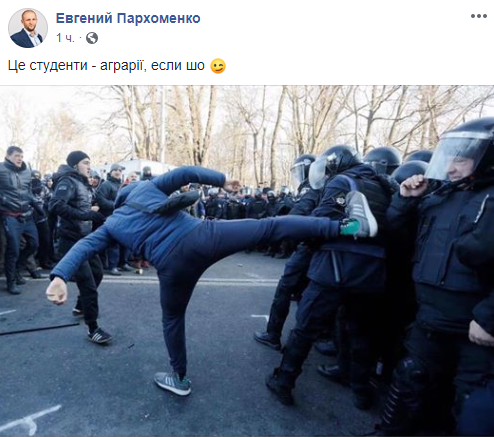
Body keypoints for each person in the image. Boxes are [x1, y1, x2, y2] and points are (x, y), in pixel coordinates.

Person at [46, 165, 377, 397]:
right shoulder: (147, 188)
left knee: (173, 319)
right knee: (271, 227)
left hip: (173, 267)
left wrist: (60, 276)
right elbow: (187, 173)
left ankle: (179, 378)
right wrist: (222, 180)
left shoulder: (111, 224)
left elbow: (83, 246)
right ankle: (346, 227)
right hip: (202, 237)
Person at [376, 118, 494, 435]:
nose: (451, 168)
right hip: (429, 318)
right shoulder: (439, 197)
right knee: (409, 382)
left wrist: (489, 316)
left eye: (462, 160)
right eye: (450, 158)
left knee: (470, 405)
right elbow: (399, 238)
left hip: (475, 328)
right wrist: (404, 201)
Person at [265, 145, 393, 408]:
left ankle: (284, 382)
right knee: (359, 332)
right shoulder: (381, 186)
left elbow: (320, 223)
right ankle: (361, 392)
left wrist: (307, 239)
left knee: (306, 327)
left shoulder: (341, 182)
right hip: (372, 271)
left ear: (337, 163)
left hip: (335, 266)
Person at [49, 151, 111, 344]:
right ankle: (93, 328)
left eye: (90, 163)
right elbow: (55, 205)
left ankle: (79, 306)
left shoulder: (82, 182)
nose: (89, 167)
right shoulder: (67, 181)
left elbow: (81, 206)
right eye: (85, 163)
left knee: (98, 273)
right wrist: (86, 215)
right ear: (75, 165)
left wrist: (94, 212)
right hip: (71, 240)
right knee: (88, 286)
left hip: (85, 240)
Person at [0, 146, 39, 294]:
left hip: (27, 215)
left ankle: (17, 269)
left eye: (21, 156)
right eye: (17, 156)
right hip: (9, 215)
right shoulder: (1, 169)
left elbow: (28, 192)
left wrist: (36, 205)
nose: (20, 159)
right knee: (13, 249)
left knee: (34, 244)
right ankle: (11, 282)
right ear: (8, 156)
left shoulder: (27, 172)